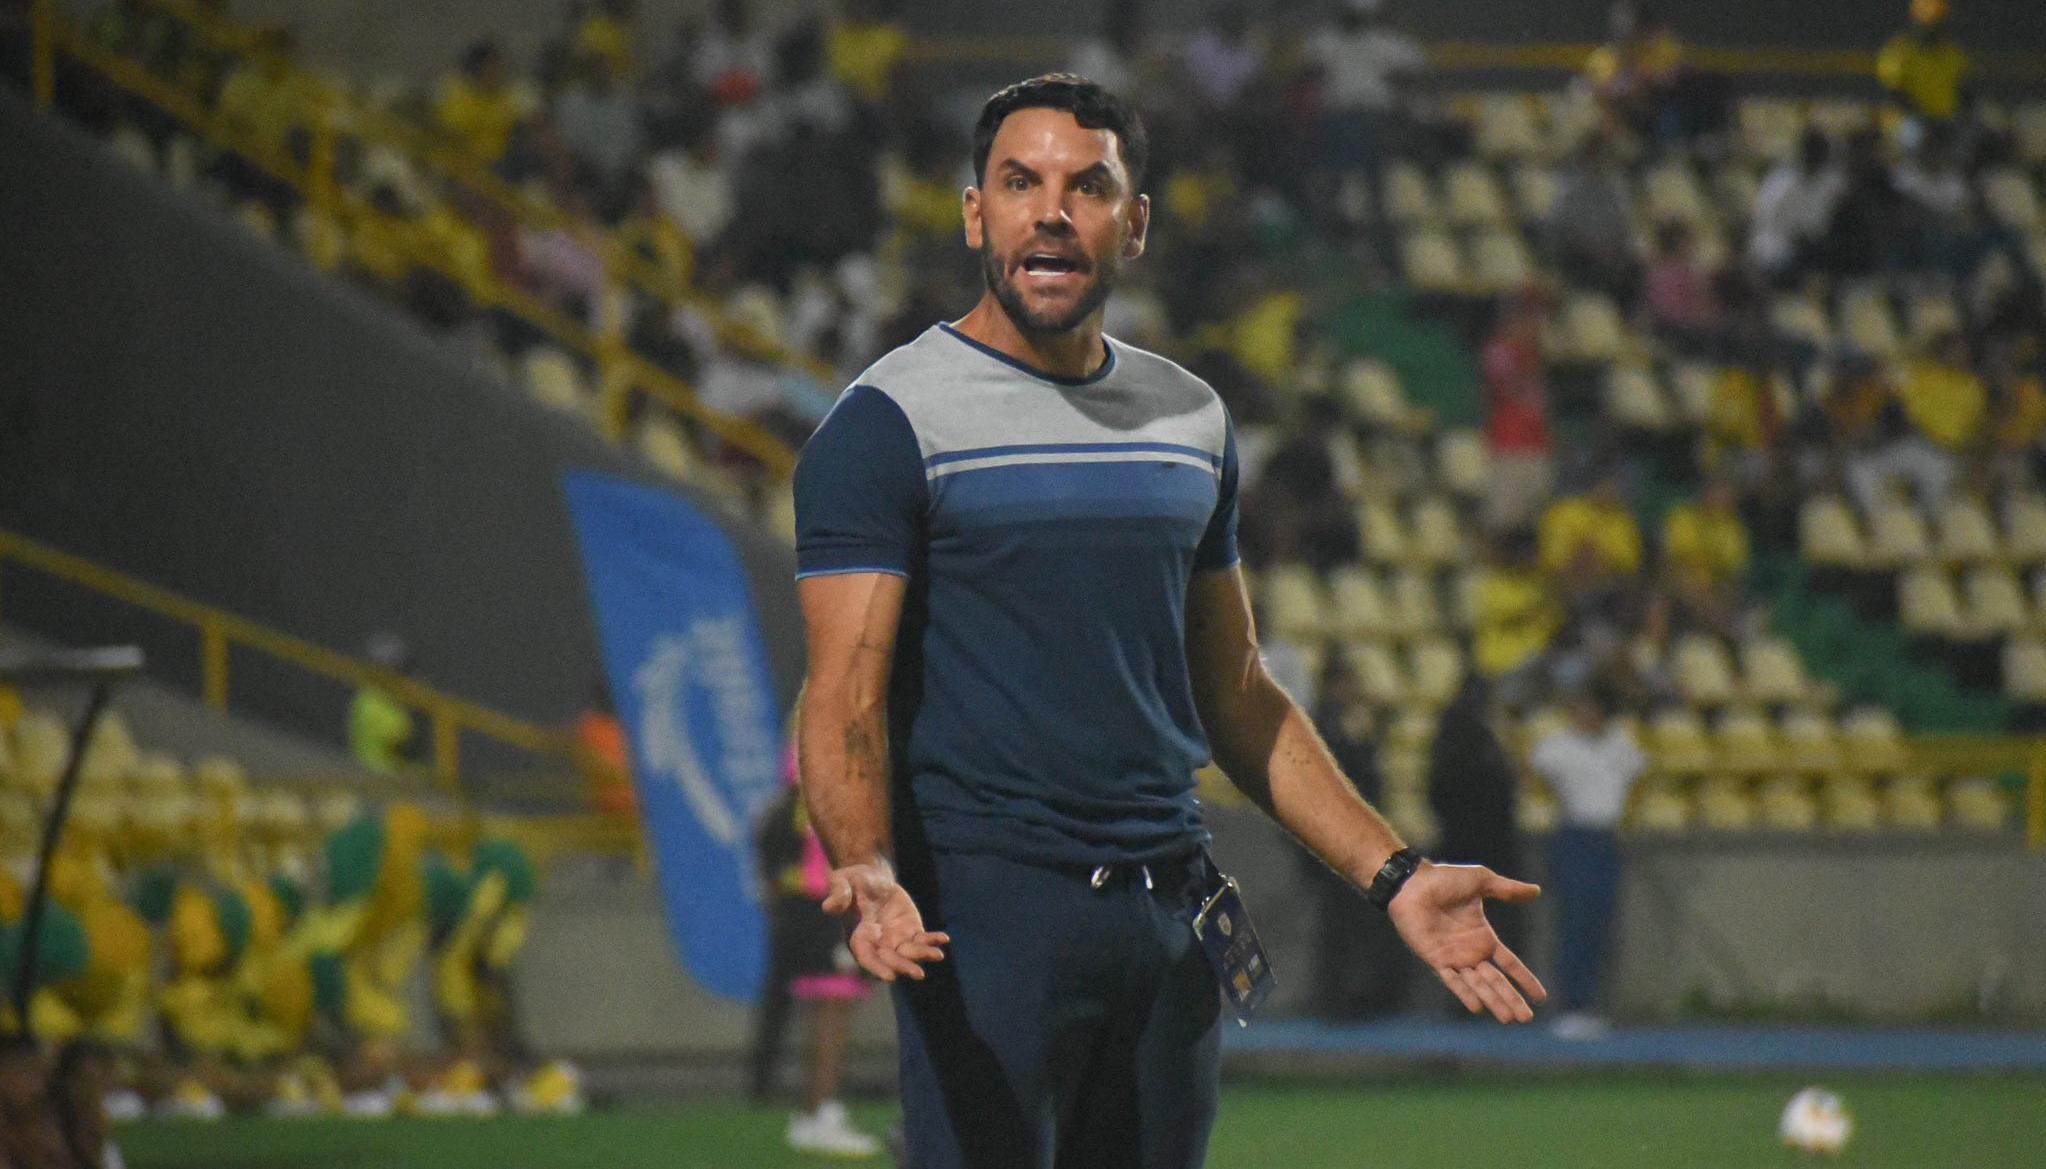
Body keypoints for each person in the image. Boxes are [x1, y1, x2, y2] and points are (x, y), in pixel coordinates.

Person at [792, 73, 1544, 1169]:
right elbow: (845, 689)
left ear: (1133, 222)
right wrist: (864, 862)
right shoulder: (887, 423)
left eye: (1086, 186)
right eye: (1019, 183)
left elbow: (1235, 688)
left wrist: (1397, 874)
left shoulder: (1189, 417)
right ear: (975, 214)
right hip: (989, 914)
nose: (1051, 210)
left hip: (1171, 914)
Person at [749, 750, 883, 1158]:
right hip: (825, 913)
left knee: (828, 1011)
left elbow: (772, 878)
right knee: (833, 1010)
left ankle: (814, 1112)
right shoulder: (819, 809)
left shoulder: (780, 811)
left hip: (804, 917)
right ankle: (822, 1112)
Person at [1527, 677, 1643, 1039]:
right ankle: (1570, 1006)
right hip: (1575, 835)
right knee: (1574, 920)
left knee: (1600, 921)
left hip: (1606, 837)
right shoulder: (1557, 747)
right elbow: (1533, 770)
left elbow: (1636, 778)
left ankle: (1590, 1004)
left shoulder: (1620, 746)